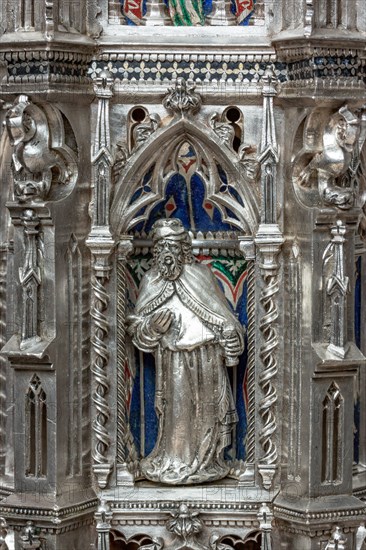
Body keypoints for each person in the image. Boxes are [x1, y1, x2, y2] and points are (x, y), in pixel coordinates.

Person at [127, 219, 244, 485]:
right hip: (173, 362)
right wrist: (153, 327)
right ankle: (175, 461)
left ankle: (207, 461)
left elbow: (225, 317)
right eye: (163, 248)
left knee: (206, 414)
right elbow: (135, 329)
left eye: (173, 247)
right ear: (156, 252)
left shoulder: (200, 276)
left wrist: (229, 335)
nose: (168, 255)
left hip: (206, 359)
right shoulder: (151, 280)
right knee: (177, 416)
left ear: (184, 250)